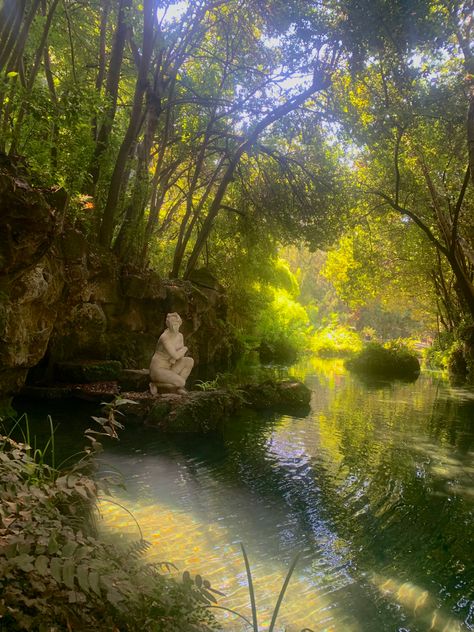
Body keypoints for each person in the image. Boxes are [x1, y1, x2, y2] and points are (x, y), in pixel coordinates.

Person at [149, 312, 194, 395]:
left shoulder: (180, 336)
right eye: (172, 323)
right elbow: (176, 355)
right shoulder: (165, 337)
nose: (175, 326)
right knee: (181, 382)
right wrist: (185, 348)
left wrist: (176, 356)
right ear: (168, 324)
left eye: (177, 323)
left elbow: (180, 357)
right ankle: (156, 384)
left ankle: (178, 388)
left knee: (189, 361)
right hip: (158, 369)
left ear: (180, 323)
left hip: (170, 366)